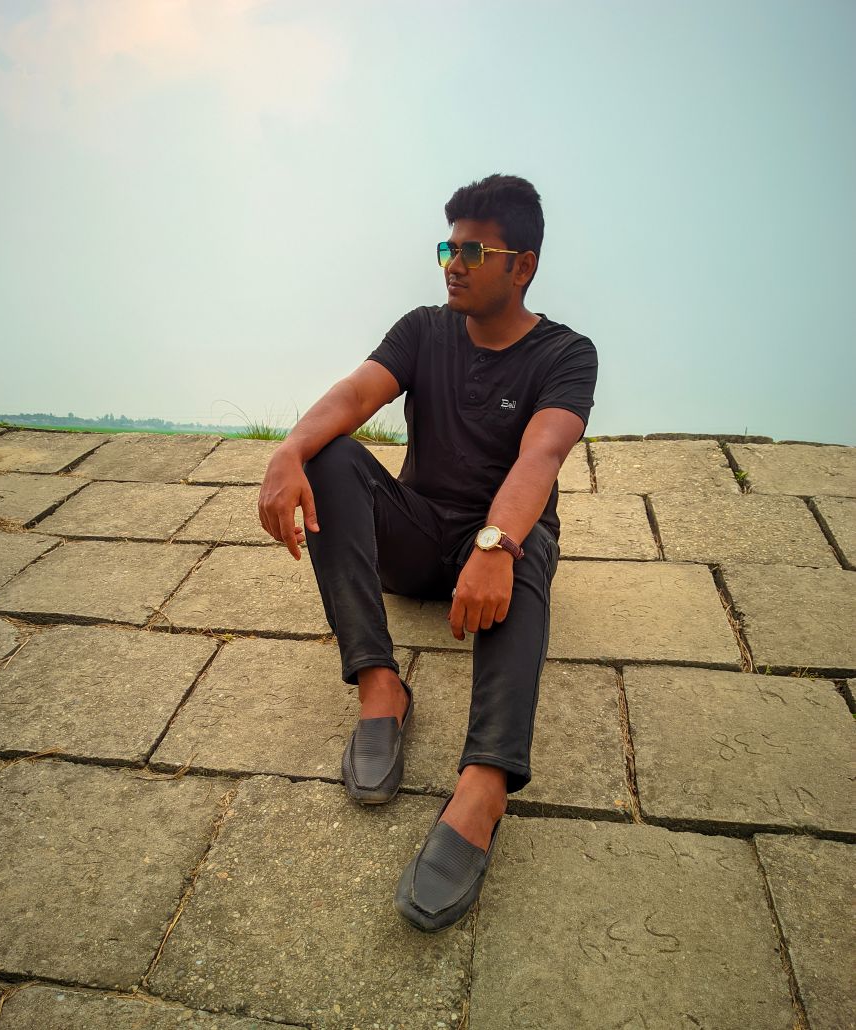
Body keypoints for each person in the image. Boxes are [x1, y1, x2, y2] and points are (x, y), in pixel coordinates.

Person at [258, 173, 597, 932]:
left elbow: (541, 456)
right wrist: (288, 449)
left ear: (523, 266)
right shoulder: (424, 329)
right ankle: (381, 688)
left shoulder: (567, 354)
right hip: (415, 540)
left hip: (495, 552)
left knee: (528, 546)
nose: (453, 264)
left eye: (474, 251)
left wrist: (495, 543)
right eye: (449, 248)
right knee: (330, 457)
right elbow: (356, 395)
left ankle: (484, 786)